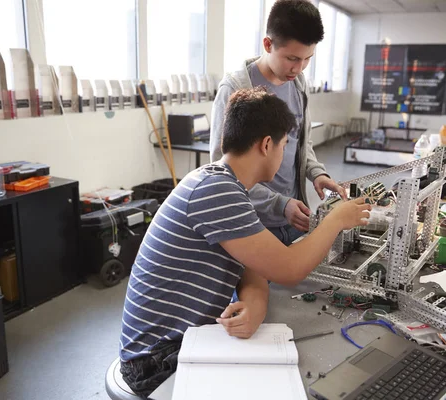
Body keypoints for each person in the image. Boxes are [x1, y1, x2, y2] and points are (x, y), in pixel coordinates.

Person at [119, 87, 371, 398]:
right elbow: (288, 268)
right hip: (155, 361)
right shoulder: (217, 192)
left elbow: (254, 267)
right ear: (267, 145)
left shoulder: (225, 184)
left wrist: (255, 304)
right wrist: (336, 220)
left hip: (176, 342)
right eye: (283, 146)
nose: (283, 154)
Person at [210, 0, 348, 246]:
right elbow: (224, 172)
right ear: (267, 44)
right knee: (254, 285)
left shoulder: (298, 83)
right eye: (292, 58)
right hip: (252, 223)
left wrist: (316, 173)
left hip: (293, 216)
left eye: (308, 59)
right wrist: (278, 204)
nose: (299, 68)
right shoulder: (235, 89)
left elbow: (300, 142)